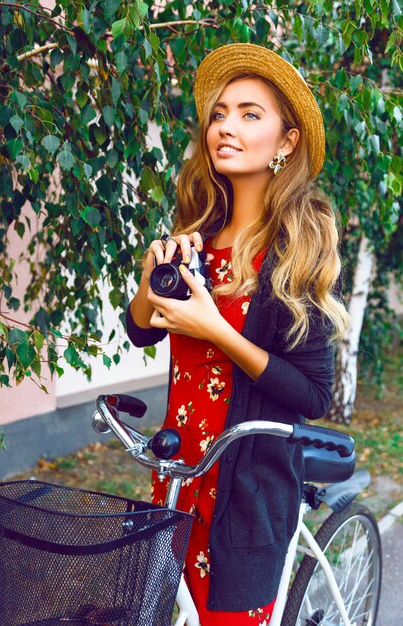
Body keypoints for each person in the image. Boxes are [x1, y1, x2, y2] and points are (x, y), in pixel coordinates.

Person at [126, 43, 349, 626]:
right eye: (220, 113)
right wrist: (151, 285)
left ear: (286, 142)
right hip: (176, 474)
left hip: (246, 491)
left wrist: (215, 330)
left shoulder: (295, 250)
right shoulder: (197, 235)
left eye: (251, 114)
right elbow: (140, 331)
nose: (226, 126)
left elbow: (313, 394)